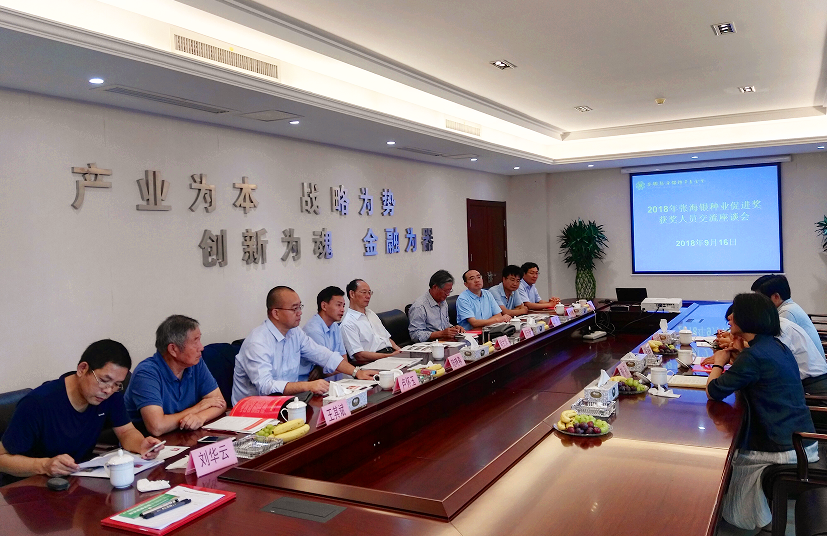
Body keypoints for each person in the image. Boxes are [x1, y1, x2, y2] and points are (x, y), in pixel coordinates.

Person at [706, 293, 818, 531]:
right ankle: (752, 518)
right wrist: (738, 355)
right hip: (799, 437)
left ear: (748, 317)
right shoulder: (776, 345)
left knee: (730, 459)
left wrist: (719, 361)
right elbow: (752, 376)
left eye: (735, 313)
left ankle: (742, 525)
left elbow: (714, 390)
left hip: (784, 446)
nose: (730, 317)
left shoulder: (754, 356)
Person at [0, 340, 161, 481]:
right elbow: (2, 459)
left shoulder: (111, 395)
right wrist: (44, 465)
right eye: (104, 380)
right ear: (82, 369)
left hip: (76, 479)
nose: (108, 390)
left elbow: (126, 432)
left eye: (117, 384)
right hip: (31, 486)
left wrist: (141, 445)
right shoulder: (37, 403)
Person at [232, 286, 377, 406]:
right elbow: (266, 386)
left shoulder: (295, 333)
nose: (300, 313)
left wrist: (356, 372)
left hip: (290, 402)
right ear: (276, 313)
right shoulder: (257, 342)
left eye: (300, 307)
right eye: (294, 309)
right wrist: (307, 386)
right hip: (254, 410)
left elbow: (323, 355)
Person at [124, 315, 226, 436]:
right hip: (147, 443)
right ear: (173, 349)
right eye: (195, 341)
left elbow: (220, 403)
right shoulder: (146, 373)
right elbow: (157, 427)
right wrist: (197, 408)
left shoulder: (195, 363)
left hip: (182, 436)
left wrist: (200, 417)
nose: (201, 347)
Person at [752, 274, 825, 360]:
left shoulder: (787, 313)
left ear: (776, 297)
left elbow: (775, 348)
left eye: (760, 299)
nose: (758, 303)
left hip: (807, 366)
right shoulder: (789, 308)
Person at [341, 279, 401, 363]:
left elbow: (387, 338)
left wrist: (400, 351)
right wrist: (389, 356)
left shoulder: (371, 313)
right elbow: (359, 356)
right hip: (374, 361)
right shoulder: (348, 323)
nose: (368, 296)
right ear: (352, 294)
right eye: (364, 292)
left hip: (390, 354)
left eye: (369, 293)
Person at [300, 286, 348, 381]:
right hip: (313, 384)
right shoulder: (313, 330)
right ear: (324, 306)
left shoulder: (335, 326)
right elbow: (326, 367)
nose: (342, 309)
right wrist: (326, 370)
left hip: (333, 381)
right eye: (338, 305)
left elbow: (344, 361)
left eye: (343, 306)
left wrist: (324, 370)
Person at [408, 270, 465, 342]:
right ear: (435, 287)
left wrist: (454, 328)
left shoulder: (443, 301)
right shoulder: (419, 306)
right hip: (431, 344)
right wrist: (441, 334)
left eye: (450, 291)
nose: (448, 294)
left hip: (445, 341)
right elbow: (415, 335)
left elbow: (444, 325)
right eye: (446, 291)